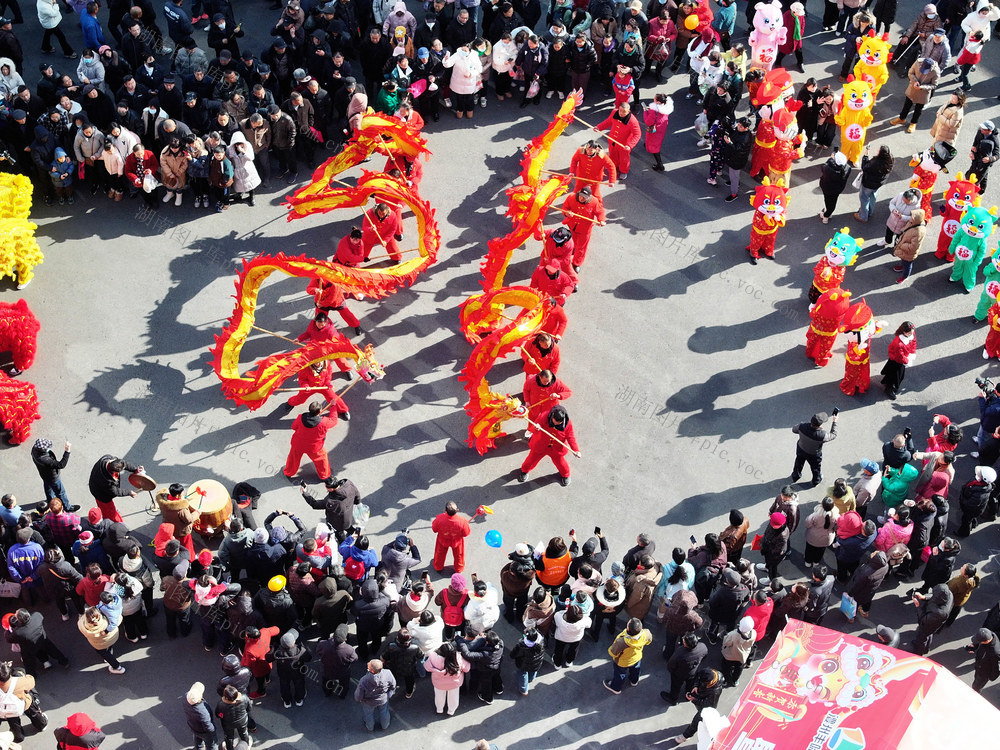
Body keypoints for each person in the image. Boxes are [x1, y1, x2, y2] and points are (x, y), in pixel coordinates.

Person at [516, 405, 580, 486]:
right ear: (552, 416)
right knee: (530, 460)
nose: (556, 424)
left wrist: (576, 450)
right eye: (554, 422)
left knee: (561, 464)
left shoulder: (568, 424)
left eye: (558, 423)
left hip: (556, 449)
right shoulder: (544, 416)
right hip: (540, 445)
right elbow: (532, 428)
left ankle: (566, 475)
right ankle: (524, 471)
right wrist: (536, 428)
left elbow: (570, 436)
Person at [283, 400, 339, 482]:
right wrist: (333, 407)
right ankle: (325, 476)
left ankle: (288, 472)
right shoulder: (324, 422)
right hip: (314, 447)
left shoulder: (300, 417)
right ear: (319, 411)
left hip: (298, 444)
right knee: (321, 459)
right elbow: (334, 420)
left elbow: (293, 427)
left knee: (293, 459)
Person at [668, 667, 724, 746]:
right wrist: (696, 686)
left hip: (707, 709)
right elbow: (698, 677)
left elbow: (708, 706)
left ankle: (685, 736)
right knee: (700, 718)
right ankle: (703, 725)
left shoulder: (715, 692)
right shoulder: (706, 673)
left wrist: (694, 699)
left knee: (696, 720)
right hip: (701, 698)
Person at [87, 454, 143, 523]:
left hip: (97, 485)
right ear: (114, 472)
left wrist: (135, 470)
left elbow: (124, 464)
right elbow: (115, 491)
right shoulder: (106, 481)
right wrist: (129, 492)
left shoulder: (109, 460)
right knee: (109, 512)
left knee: (105, 509)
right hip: (100, 494)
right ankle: (116, 523)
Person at [603, 617, 652, 694]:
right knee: (636, 670)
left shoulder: (622, 642)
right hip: (637, 657)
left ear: (628, 629)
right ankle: (634, 681)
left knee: (620, 674)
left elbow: (612, 652)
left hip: (622, 662)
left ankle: (616, 688)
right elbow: (648, 641)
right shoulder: (646, 633)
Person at [790, 411, 838, 487]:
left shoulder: (802, 426)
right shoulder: (822, 435)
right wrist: (834, 422)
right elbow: (833, 435)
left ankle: (795, 476)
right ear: (820, 424)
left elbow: (794, 429)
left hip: (801, 449)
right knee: (815, 468)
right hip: (814, 454)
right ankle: (816, 480)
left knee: (798, 462)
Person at [892, 57, 940, 133]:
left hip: (923, 93)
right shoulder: (918, 62)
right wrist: (915, 81)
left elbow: (934, 85)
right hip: (912, 88)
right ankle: (901, 118)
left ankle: (913, 123)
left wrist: (922, 87)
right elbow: (910, 73)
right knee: (907, 105)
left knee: (918, 109)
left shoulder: (936, 71)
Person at [596, 101, 641, 181]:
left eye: (624, 112)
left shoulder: (633, 121)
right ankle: (614, 167)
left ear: (628, 111)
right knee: (613, 155)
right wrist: (599, 127)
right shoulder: (614, 112)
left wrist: (630, 145)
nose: (621, 113)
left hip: (624, 144)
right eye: (620, 110)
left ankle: (623, 171)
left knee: (624, 159)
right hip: (612, 140)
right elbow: (608, 121)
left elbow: (637, 134)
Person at [77, 606, 125, 674]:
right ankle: (110, 650)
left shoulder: (83, 626)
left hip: (98, 644)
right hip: (111, 638)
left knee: (104, 653)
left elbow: (80, 622)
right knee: (108, 644)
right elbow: (118, 619)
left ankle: (117, 667)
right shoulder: (107, 618)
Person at [425, 642, 469, 715]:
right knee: (453, 697)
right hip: (454, 683)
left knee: (439, 696)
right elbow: (467, 668)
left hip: (438, 683)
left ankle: (439, 709)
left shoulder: (433, 656)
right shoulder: (458, 657)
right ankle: (451, 711)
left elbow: (427, 667)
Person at [854, 145, 894, 223]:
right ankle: (870, 212)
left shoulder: (875, 162)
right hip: (878, 183)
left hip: (868, 184)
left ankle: (863, 216)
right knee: (872, 197)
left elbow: (864, 167)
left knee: (864, 199)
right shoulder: (890, 160)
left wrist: (865, 156)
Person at [909, 583, 952, 655]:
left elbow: (923, 619)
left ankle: (918, 653)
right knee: (929, 634)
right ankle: (926, 648)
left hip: (929, 623)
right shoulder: (949, 595)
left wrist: (918, 606)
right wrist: (924, 597)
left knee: (922, 637)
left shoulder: (938, 613)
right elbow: (934, 595)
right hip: (935, 623)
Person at [353, 661, 397, 731]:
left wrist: (359, 699)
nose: (367, 663)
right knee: (384, 712)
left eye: (369, 665)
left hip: (368, 702)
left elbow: (359, 693)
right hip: (383, 699)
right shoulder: (388, 673)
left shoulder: (364, 680)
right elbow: (393, 685)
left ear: (372, 671)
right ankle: (385, 726)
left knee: (368, 714)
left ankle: (370, 727)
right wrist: (390, 693)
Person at [881, 321, 917, 400]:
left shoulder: (911, 334)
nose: (912, 334)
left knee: (892, 375)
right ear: (904, 332)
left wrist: (912, 353)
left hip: (902, 359)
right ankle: (889, 389)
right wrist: (907, 361)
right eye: (910, 333)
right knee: (895, 377)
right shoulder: (899, 344)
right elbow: (899, 357)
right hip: (897, 361)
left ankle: (887, 383)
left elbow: (914, 342)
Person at [431, 501, 471, 573]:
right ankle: (459, 568)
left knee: (439, 554)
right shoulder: (462, 521)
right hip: (457, 541)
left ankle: (438, 566)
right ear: (457, 510)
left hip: (442, 540)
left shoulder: (439, 519)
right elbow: (466, 533)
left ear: (445, 510)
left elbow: (434, 529)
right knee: (459, 555)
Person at [29, 437, 71, 504]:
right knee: (61, 493)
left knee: (48, 489)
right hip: (53, 478)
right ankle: (67, 507)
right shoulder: (45, 460)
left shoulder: (34, 449)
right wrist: (67, 451)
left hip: (44, 475)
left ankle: (50, 501)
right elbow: (61, 465)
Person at [818, 150, 852, 223]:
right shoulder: (848, 168)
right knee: (833, 201)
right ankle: (828, 212)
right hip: (838, 189)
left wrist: (830, 159)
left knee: (827, 200)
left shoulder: (828, 168)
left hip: (827, 188)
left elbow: (823, 167)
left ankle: (826, 216)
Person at [720, 616, 755, 687]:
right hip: (742, 656)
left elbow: (726, 643)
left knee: (726, 667)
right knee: (738, 669)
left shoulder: (733, 634)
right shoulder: (753, 633)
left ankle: (725, 680)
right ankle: (735, 680)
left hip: (730, 655)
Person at [510, 626, 544, 695]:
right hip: (536, 663)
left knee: (523, 674)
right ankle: (531, 679)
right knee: (533, 670)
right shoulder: (541, 640)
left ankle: (524, 690)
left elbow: (513, 655)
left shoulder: (521, 646)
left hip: (523, 665)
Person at [184, 681, 218, 750]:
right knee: (211, 745)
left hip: (193, 726)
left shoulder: (185, 698)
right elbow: (208, 726)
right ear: (199, 698)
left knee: (198, 741)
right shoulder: (202, 711)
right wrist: (213, 730)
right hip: (204, 732)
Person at [968, 120, 998, 188]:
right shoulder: (979, 132)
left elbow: (997, 154)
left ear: (989, 131)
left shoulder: (994, 140)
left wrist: (990, 159)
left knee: (983, 177)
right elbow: (975, 143)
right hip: (977, 156)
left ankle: (981, 191)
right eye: (981, 128)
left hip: (986, 160)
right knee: (972, 171)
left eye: (984, 129)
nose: (981, 130)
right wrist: (972, 152)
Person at [760, 511, 790, 580]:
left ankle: (771, 579)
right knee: (768, 562)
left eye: (775, 525)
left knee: (772, 567)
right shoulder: (774, 524)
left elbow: (777, 551)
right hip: (768, 549)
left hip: (774, 555)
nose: (773, 526)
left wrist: (767, 549)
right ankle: (766, 566)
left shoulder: (782, 535)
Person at [969, 628, 1000, 693]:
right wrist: (974, 648)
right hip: (979, 666)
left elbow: (996, 668)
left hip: (984, 673)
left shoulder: (995, 653)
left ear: (986, 641)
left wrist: (990, 677)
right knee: (976, 679)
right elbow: (980, 645)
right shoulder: (990, 634)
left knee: (976, 687)